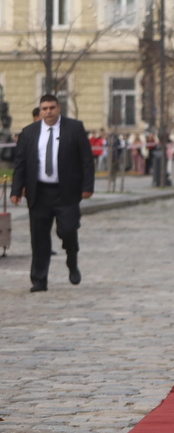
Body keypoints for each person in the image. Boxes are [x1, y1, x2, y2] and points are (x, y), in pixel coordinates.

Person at [10, 94, 95, 292]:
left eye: (52, 108)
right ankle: (39, 280)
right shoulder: (29, 133)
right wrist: (16, 190)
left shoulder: (74, 128)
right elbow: (20, 164)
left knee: (67, 230)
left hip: (66, 192)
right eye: (44, 108)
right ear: (40, 111)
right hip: (39, 193)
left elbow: (86, 159)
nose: (48, 112)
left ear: (59, 108)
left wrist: (87, 186)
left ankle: (72, 261)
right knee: (38, 238)